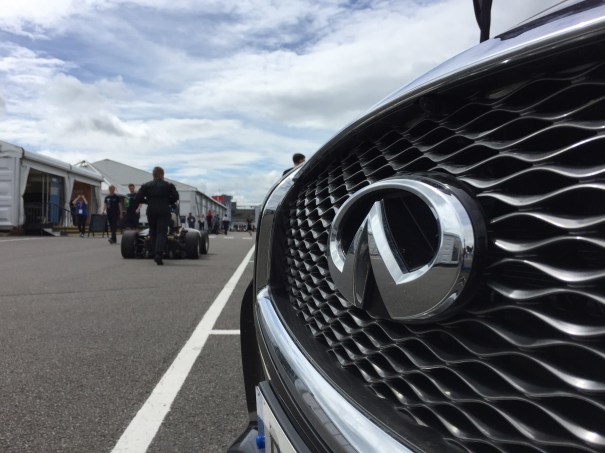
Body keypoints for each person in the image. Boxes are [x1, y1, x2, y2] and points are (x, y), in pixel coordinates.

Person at [136, 167, 179, 265]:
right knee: (161, 232)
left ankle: (153, 252)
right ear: (162, 175)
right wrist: (169, 201)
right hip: (163, 210)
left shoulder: (146, 185)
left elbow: (137, 197)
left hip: (151, 210)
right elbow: (176, 197)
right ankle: (158, 254)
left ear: (153, 175)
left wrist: (147, 201)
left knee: (153, 231)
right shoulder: (168, 185)